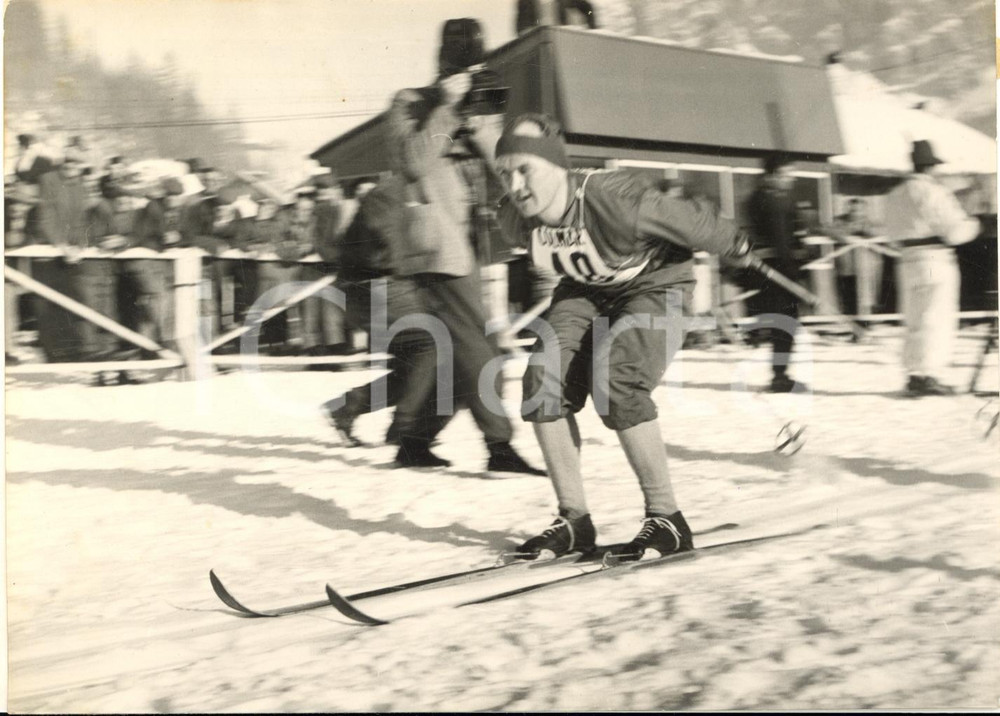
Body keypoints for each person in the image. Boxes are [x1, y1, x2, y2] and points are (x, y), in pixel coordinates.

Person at [493, 113, 753, 562]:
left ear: (558, 167)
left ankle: (666, 519)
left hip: (658, 284)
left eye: (525, 170)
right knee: (542, 381)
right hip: (585, 290)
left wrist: (735, 243)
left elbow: (694, 222)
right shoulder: (515, 219)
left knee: (618, 379)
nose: (515, 186)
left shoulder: (618, 200)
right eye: (505, 173)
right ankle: (574, 520)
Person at [384, 18, 543, 475]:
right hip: (435, 244)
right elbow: (414, 162)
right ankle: (499, 445)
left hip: (466, 244)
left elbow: (502, 168)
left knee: (458, 349)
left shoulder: (469, 106)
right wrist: (449, 109)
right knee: (479, 347)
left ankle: (415, 438)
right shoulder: (409, 102)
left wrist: (482, 124)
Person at [884, 140, 980, 397]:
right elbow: (955, 231)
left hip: (907, 259)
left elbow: (890, 233)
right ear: (930, 167)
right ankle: (930, 374)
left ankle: (914, 375)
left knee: (914, 318)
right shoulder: (934, 192)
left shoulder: (895, 194)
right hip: (934, 259)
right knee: (936, 317)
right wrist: (974, 225)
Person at [743, 155, 807, 392]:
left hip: (770, 269)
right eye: (785, 174)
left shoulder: (759, 197)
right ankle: (780, 376)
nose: (790, 179)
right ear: (771, 175)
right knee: (785, 324)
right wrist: (793, 274)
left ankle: (780, 373)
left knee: (781, 324)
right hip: (779, 270)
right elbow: (782, 240)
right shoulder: (772, 201)